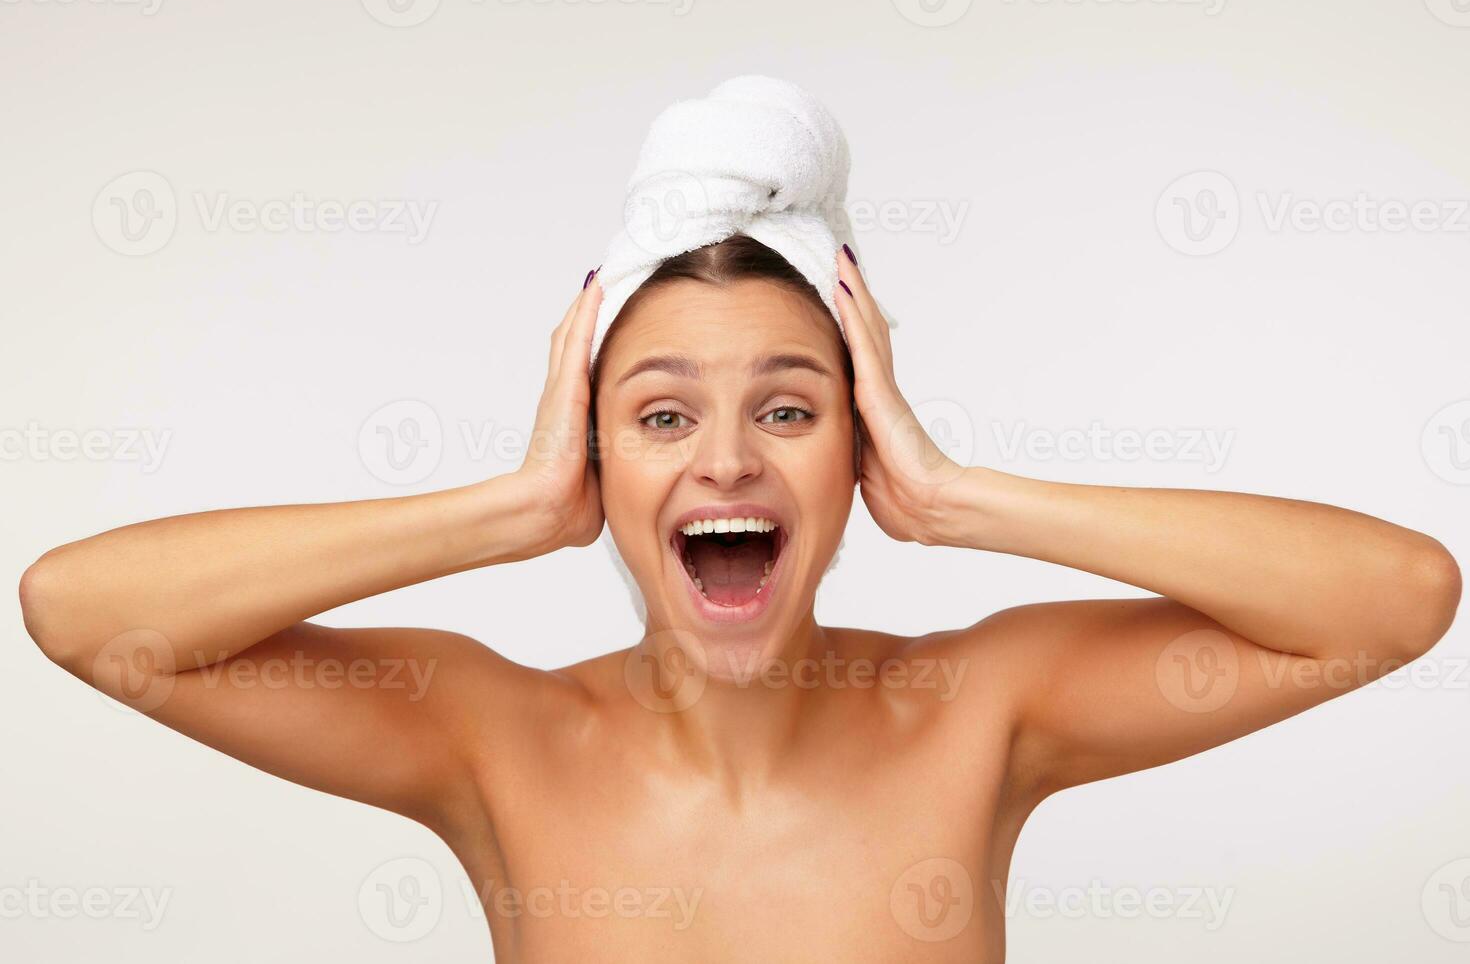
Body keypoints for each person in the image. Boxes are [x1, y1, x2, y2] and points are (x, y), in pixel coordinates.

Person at [19, 234, 1461, 962]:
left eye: (787, 410)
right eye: (658, 418)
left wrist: (962, 498)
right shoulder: (485, 735)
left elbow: (1393, 598)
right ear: (595, 460)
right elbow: (82, 614)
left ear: (858, 451)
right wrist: (506, 509)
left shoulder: (982, 712)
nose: (723, 457)